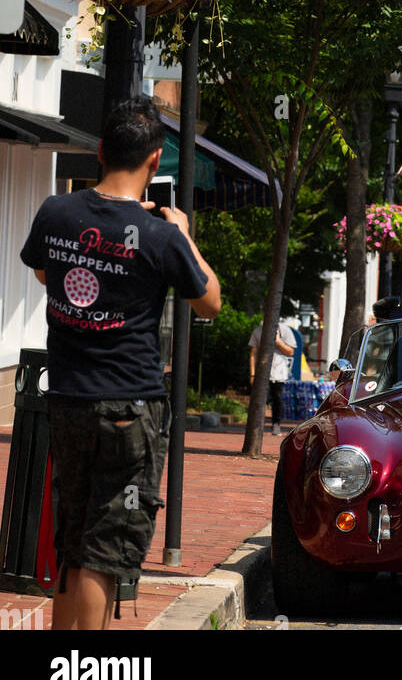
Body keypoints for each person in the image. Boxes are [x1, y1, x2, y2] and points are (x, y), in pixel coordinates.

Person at [19, 95, 220, 631]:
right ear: (156, 161)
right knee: (106, 550)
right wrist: (183, 236)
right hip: (128, 405)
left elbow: (44, 274)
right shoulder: (159, 235)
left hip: (67, 399)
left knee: (73, 539)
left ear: (101, 151)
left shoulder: (56, 212)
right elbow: (210, 302)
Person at [249, 314, 301, 434]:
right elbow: (253, 354)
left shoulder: (285, 330)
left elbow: (290, 352)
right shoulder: (258, 331)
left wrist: (278, 342)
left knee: (277, 399)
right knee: (259, 399)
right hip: (261, 372)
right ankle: (256, 426)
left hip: (278, 372)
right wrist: (252, 374)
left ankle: (276, 424)